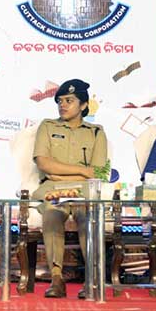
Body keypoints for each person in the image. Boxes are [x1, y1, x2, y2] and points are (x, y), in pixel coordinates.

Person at [31, 79, 108, 299]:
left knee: (87, 216)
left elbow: (98, 172)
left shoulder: (96, 132)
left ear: (83, 105)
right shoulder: (48, 126)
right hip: (53, 189)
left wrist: (63, 173)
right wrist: (82, 171)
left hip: (84, 191)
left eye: (69, 101)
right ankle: (56, 278)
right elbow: (43, 163)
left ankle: (90, 279)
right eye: (60, 101)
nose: (62, 105)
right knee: (52, 215)